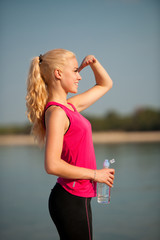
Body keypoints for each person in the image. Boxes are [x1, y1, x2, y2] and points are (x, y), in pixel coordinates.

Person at [26, 48, 115, 240]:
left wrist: (93, 64)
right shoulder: (57, 113)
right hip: (70, 198)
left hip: (76, 197)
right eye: (75, 71)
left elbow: (105, 84)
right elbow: (52, 165)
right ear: (58, 73)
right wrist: (94, 174)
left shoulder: (69, 107)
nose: (79, 77)